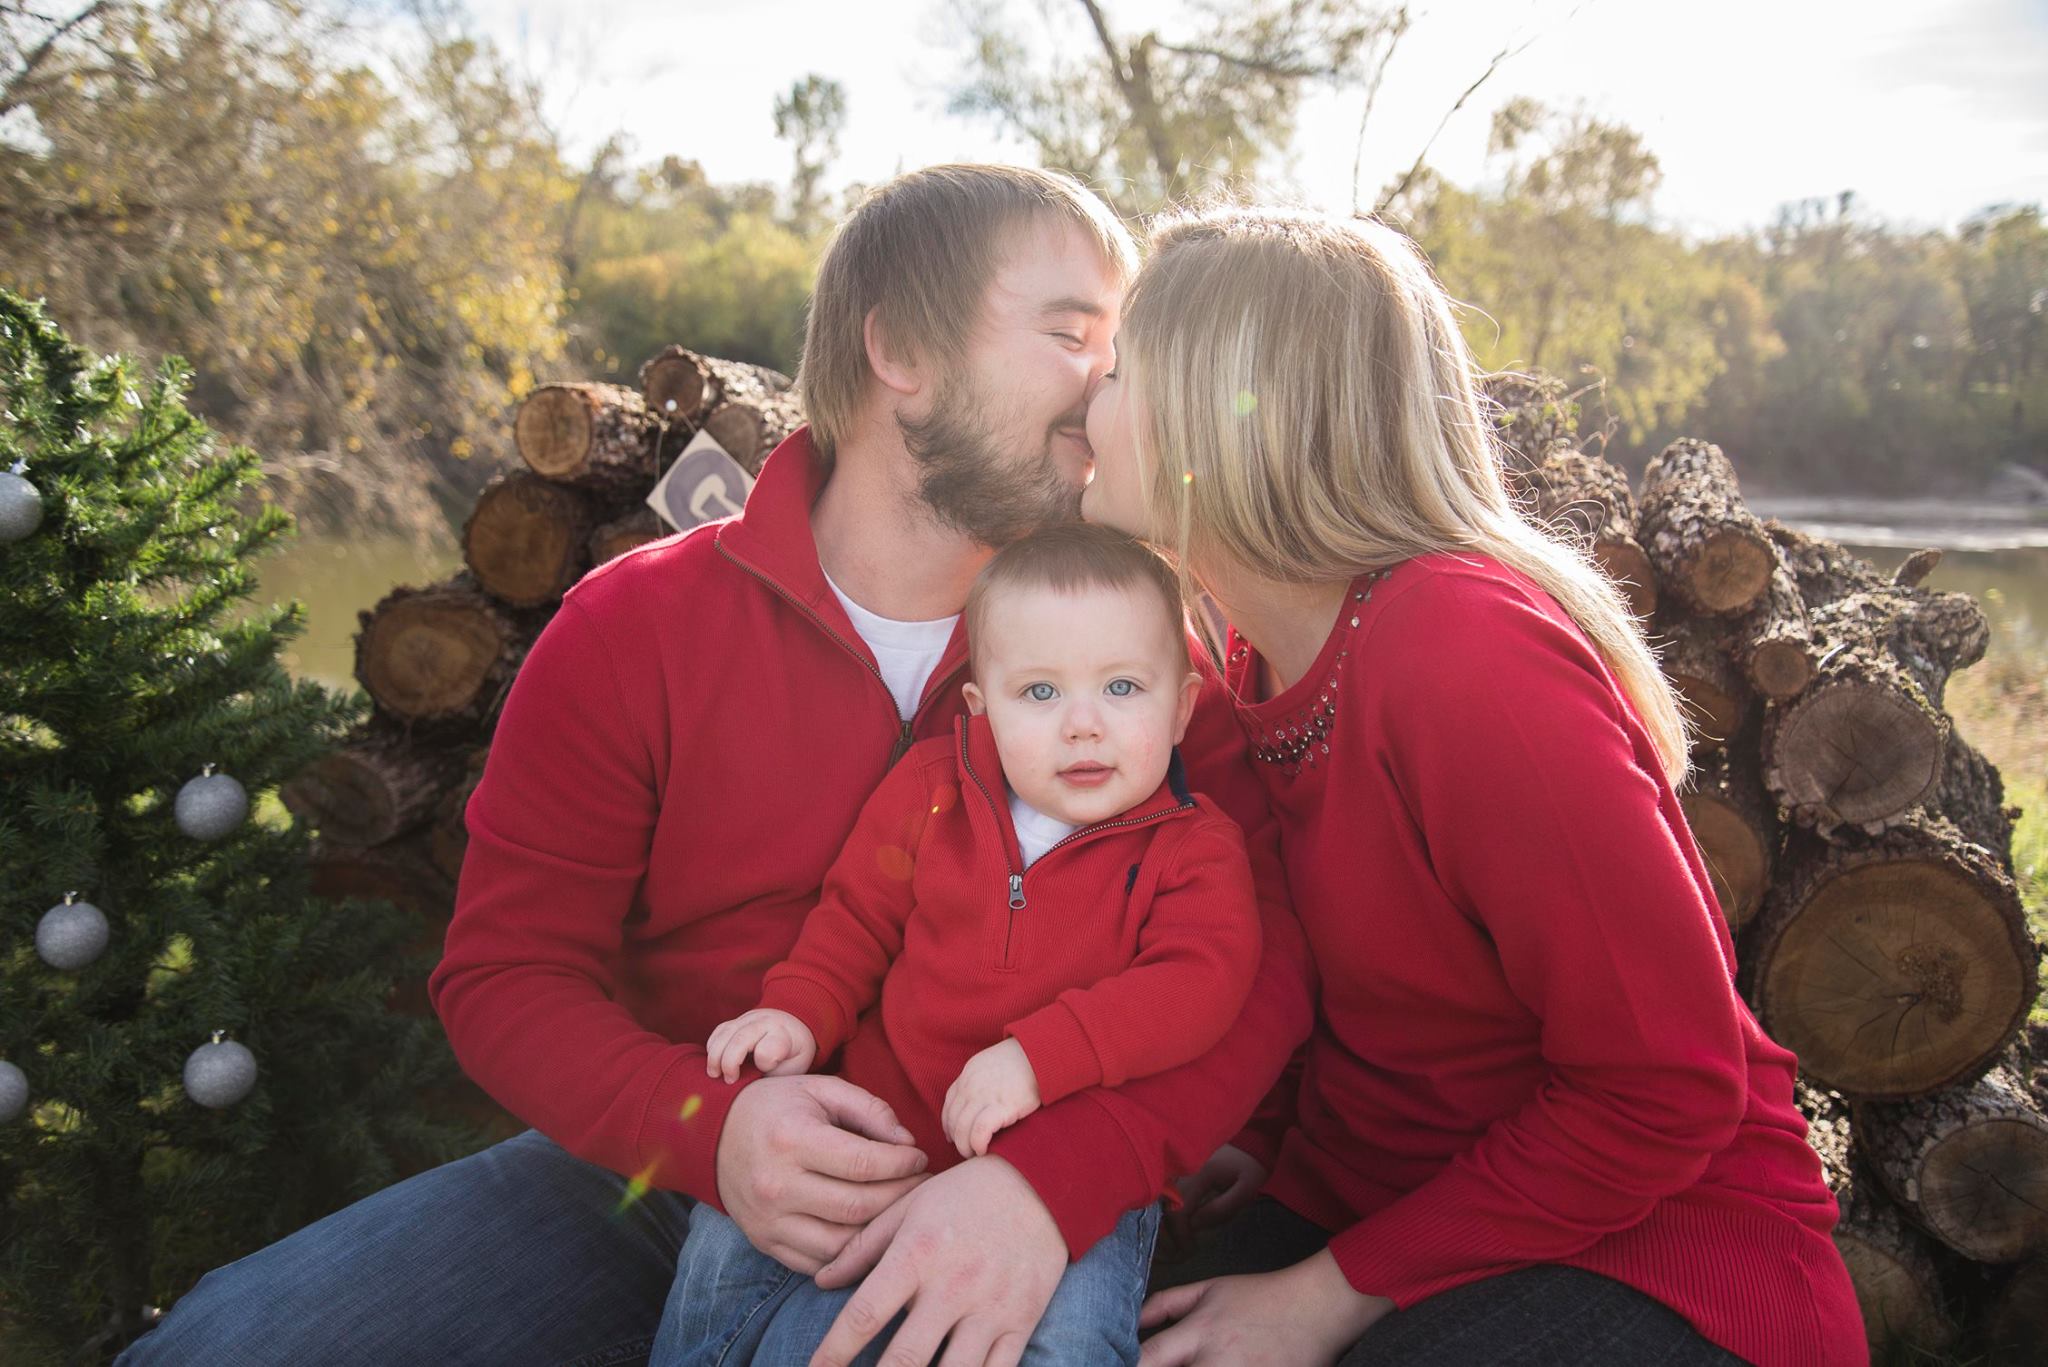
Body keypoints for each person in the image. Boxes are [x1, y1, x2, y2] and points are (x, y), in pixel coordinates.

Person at [115, 167, 1310, 1367]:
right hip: (657, 1168)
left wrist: (1051, 1185)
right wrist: (714, 1127)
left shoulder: (1134, 644)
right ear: (900, 347)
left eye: (1115, 346)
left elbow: (1254, 967)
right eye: (1068, 334)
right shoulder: (633, 625)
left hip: (997, 1159)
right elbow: (505, 974)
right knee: (217, 1345)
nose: (1105, 378)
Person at [1077, 205, 1867, 1367]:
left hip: (1656, 1252)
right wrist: (1276, 1137)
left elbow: (1663, 1087)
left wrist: (1323, 1292)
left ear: (1216, 410)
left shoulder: (1460, 651)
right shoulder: (1242, 660)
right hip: (1387, 1204)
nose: (1084, 403)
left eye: (1116, 371)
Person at [655, 523, 1261, 1365]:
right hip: (885, 1129)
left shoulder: (1192, 850)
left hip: (1063, 1177)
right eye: (1040, 694)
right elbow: (854, 924)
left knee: (1073, 1332)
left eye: (1123, 687)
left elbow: (1199, 984)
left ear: (1184, 704)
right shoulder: (935, 790)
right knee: (727, 1241)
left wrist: (1040, 1058)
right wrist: (795, 1010)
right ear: (983, 704)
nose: (1083, 726)